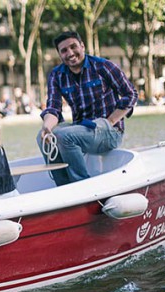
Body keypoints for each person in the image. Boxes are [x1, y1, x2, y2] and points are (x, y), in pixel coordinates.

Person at [38, 31, 137, 186]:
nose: (70, 53)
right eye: (64, 50)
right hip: (81, 129)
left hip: (109, 131)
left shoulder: (103, 66)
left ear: (82, 46)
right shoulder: (56, 75)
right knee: (43, 137)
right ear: (59, 54)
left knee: (65, 136)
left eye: (73, 47)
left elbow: (130, 94)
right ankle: (62, 187)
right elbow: (53, 108)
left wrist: (110, 121)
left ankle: (82, 185)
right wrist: (46, 127)